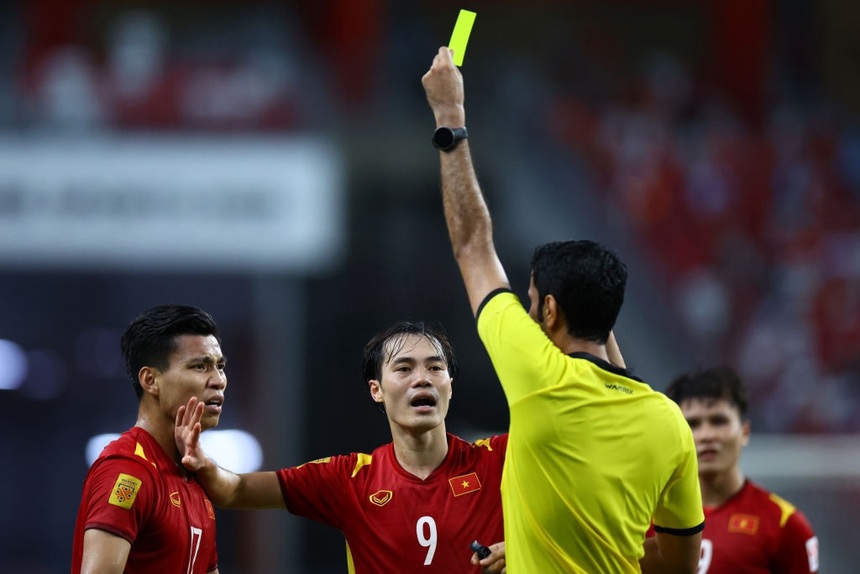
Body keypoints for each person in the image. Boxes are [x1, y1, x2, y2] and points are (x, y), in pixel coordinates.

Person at [421, 46, 704, 573]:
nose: (527, 315)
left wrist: (449, 118)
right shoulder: (668, 423)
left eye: (530, 303)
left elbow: (473, 246)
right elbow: (679, 566)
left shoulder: (540, 374)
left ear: (549, 310)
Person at [176, 320, 508, 573]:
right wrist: (202, 462)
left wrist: (523, 550)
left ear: (450, 385)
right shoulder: (348, 480)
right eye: (404, 368)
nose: (422, 378)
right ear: (376, 390)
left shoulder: (503, 460)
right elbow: (235, 491)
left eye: (435, 367)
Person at [71, 304, 226, 574]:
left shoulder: (196, 480)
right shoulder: (127, 470)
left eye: (220, 366)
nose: (218, 380)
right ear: (150, 380)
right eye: (200, 366)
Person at [664, 367, 820, 574]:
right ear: (676, 436)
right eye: (692, 424)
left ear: (745, 432)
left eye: (718, 421)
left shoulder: (785, 524)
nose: (706, 435)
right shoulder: (647, 518)